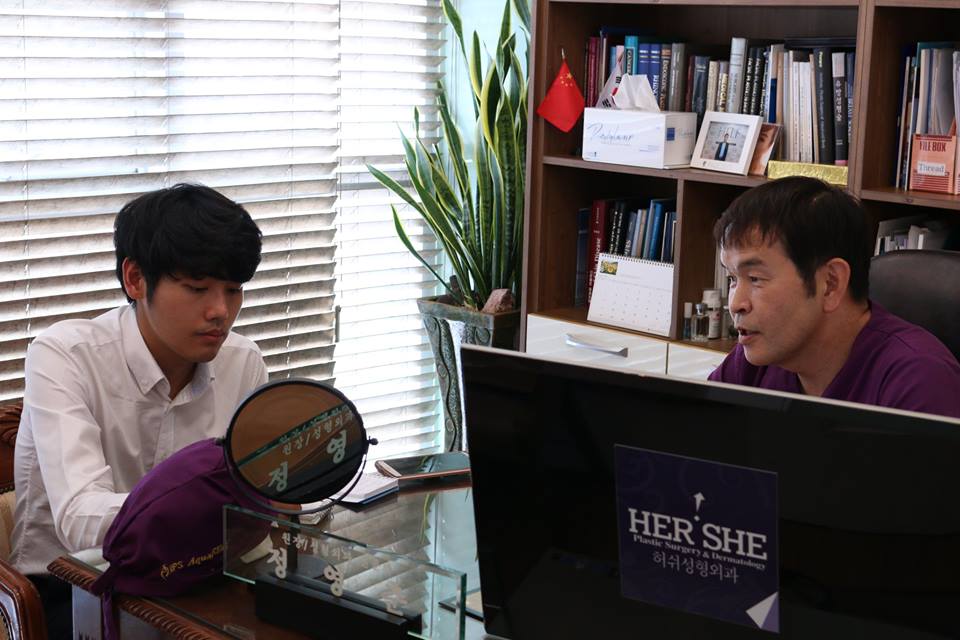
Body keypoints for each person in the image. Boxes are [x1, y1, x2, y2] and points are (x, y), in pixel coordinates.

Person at [11, 184, 268, 637]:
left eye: (233, 290)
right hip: (74, 585)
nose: (220, 312)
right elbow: (80, 519)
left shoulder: (243, 361)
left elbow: (261, 489)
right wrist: (208, 511)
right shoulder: (64, 355)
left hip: (199, 575)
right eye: (197, 288)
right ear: (135, 279)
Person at [709, 176, 960, 419]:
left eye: (755, 278)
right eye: (732, 279)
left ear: (830, 283)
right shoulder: (754, 361)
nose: (735, 304)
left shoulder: (919, 381)